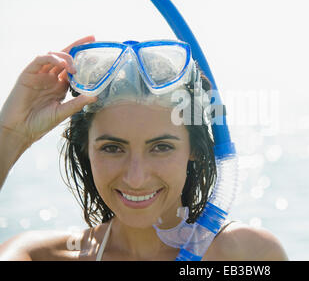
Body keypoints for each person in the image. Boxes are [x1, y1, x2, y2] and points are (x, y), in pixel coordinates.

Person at [0, 36, 288, 261]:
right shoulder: (37, 255)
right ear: (85, 149)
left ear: (195, 149)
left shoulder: (247, 255)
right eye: (113, 148)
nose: (136, 178)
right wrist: (10, 135)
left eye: (161, 147)